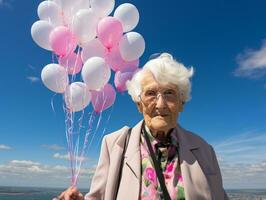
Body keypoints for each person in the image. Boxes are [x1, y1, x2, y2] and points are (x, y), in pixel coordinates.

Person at [54, 53, 228, 200]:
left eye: (169, 93)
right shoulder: (114, 144)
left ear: (181, 102)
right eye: (151, 93)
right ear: (139, 104)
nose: (160, 104)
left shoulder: (204, 150)